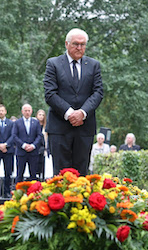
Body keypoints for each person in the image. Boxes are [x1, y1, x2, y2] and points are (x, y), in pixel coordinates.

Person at [44, 28, 104, 175]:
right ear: (66, 44)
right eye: (76, 44)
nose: (79, 48)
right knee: (60, 175)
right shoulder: (53, 64)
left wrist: (82, 113)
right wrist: (70, 113)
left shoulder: (93, 65)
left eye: (83, 44)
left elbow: (98, 93)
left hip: (84, 128)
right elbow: (50, 94)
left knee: (82, 174)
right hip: (59, 128)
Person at [12, 104, 43, 183]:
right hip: (21, 152)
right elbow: (14, 136)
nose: (27, 112)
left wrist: (33, 145)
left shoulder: (36, 122)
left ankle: (33, 193)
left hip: (33, 152)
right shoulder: (17, 122)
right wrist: (24, 145)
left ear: (31, 111)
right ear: (22, 111)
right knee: (19, 174)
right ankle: (18, 192)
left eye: (29, 111)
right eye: (25, 111)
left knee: (33, 174)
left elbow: (39, 136)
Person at [35, 109, 47, 180]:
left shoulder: (46, 126)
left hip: (43, 149)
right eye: (40, 114)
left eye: (43, 115)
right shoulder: (34, 125)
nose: (41, 116)